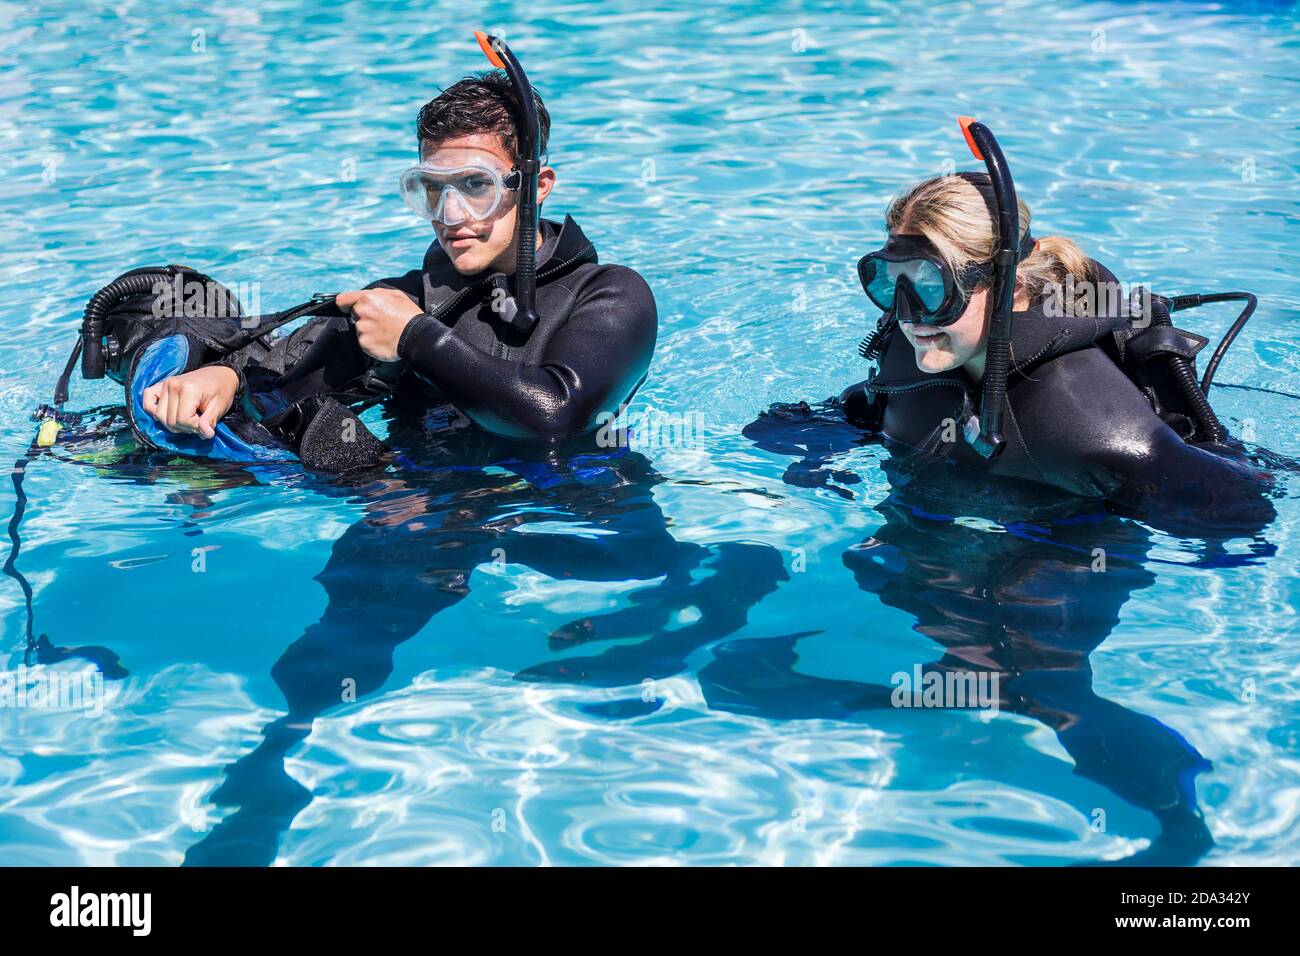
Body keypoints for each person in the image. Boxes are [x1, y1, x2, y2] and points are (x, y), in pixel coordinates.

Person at [136, 38, 657, 453]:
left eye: (476, 185)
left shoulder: (611, 295)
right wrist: (224, 379)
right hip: (425, 512)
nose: (451, 216)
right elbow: (282, 376)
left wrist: (415, 339)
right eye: (432, 189)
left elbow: (555, 417)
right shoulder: (405, 300)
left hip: (571, 517)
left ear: (536, 186)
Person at [823, 126, 1275, 536]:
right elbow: (881, 402)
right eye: (888, 281)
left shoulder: (1084, 420)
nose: (908, 314)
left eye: (931, 286)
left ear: (1011, 287)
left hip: (1053, 575)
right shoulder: (931, 340)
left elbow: (1238, 516)